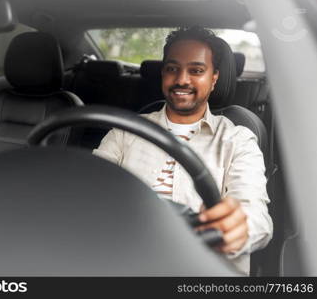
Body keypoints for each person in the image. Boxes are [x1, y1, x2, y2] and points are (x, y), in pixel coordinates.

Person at [93, 27, 273, 275]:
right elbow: (90, 189)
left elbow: (256, 217)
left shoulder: (238, 140)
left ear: (214, 78)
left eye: (197, 70)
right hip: (121, 260)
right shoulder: (126, 131)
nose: (182, 80)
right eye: (172, 68)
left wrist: (236, 228)